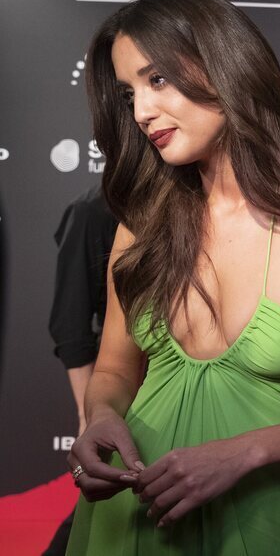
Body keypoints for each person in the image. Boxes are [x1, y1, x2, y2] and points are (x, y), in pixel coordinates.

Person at [65, 0, 280, 555]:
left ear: (222, 66)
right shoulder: (140, 227)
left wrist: (245, 451)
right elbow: (115, 370)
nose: (142, 111)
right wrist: (98, 417)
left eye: (158, 80)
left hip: (256, 519)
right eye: (130, 94)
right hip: (133, 512)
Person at [43, 184, 118, 556]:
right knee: (100, 515)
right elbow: (70, 326)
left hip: (188, 389)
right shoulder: (93, 211)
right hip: (125, 394)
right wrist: (89, 414)